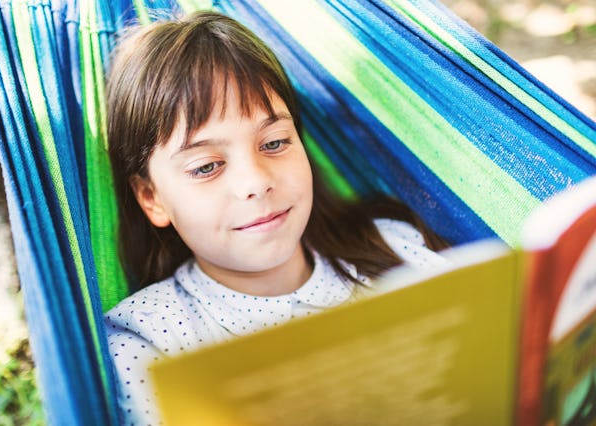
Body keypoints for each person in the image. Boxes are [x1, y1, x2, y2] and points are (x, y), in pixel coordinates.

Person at [104, 11, 448, 425]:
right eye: (207, 166)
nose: (255, 182)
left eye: (274, 142)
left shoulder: (394, 250)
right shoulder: (150, 344)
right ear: (151, 197)